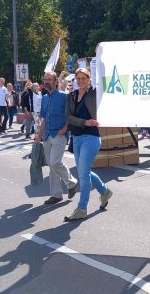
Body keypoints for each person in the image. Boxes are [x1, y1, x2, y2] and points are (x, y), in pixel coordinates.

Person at [64, 67, 113, 220]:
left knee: (83, 175)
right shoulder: (71, 96)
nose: (80, 81)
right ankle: (105, 192)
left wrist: (102, 59)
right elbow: (68, 117)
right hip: (77, 138)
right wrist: (85, 122)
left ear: (89, 79)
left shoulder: (94, 93)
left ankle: (82, 208)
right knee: (84, 172)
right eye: (78, 78)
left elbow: (107, 84)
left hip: (91, 138)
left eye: (83, 78)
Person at [34, 71, 78, 204]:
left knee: (54, 162)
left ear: (55, 82)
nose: (46, 82)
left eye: (49, 79)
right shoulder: (45, 98)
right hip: (47, 135)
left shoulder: (65, 96)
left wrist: (64, 129)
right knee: (51, 166)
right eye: (45, 79)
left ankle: (72, 183)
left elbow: (71, 115)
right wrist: (38, 136)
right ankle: (56, 194)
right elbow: (44, 119)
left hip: (60, 134)